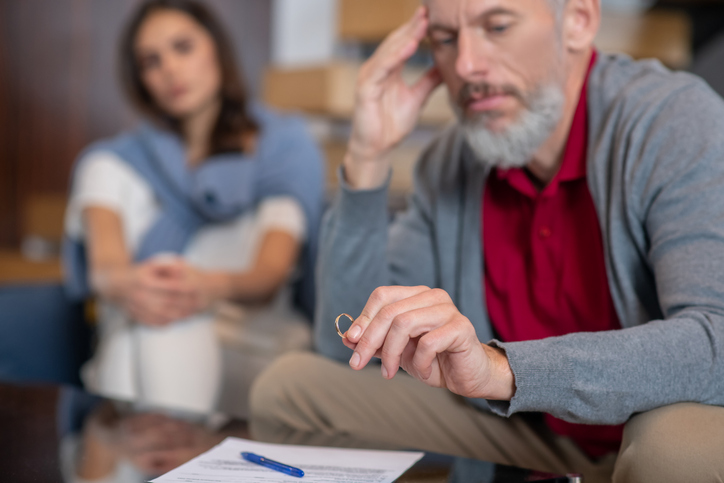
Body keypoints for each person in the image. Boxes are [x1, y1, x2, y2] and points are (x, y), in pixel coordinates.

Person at [249, 1, 724, 482]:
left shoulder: (674, 121)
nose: (466, 66)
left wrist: (503, 370)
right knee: (288, 390)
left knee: (672, 452)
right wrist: (368, 154)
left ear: (578, 20)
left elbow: (717, 338)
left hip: (639, 436)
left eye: (496, 26)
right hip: (527, 434)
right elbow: (349, 349)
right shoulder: (453, 162)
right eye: (445, 38)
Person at [63, 0, 324, 416]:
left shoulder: (282, 148)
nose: (169, 69)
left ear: (216, 49)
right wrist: (138, 286)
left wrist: (202, 288)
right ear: (140, 79)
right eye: (151, 61)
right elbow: (104, 271)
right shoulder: (109, 164)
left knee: (153, 334)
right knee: (159, 325)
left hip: (253, 348)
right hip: (140, 332)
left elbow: (269, 276)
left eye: (182, 47)